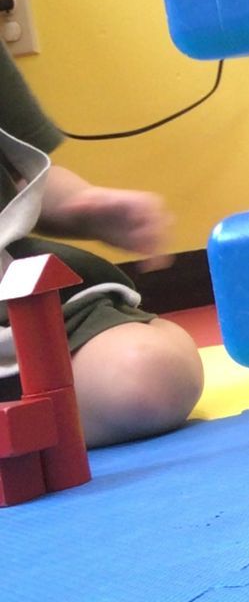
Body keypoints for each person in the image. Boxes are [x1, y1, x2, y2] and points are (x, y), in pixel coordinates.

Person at [0, 49, 204, 445]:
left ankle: (24, 430)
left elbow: (26, 176)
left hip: (18, 306)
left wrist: (86, 207)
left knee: (148, 379)